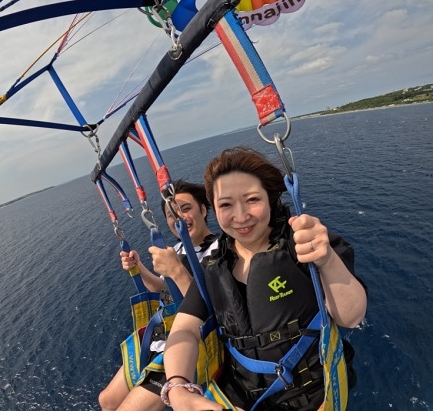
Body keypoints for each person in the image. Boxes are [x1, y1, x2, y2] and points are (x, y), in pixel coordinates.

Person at [162, 147, 368, 411]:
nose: (240, 216)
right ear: (213, 208)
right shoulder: (212, 267)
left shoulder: (304, 245)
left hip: (311, 397)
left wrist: (326, 259)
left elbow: (351, 317)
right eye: (226, 205)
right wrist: (178, 387)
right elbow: (184, 328)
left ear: (270, 199)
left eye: (252, 200)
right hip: (240, 398)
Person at [98, 180, 218, 411]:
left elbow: (213, 312)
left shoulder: (218, 251)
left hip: (190, 345)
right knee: (107, 400)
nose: (179, 218)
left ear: (203, 210)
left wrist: (177, 270)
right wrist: (139, 268)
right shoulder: (178, 250)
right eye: (171, 214)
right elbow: (162, 289)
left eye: (186, 209)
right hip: (161, 337)